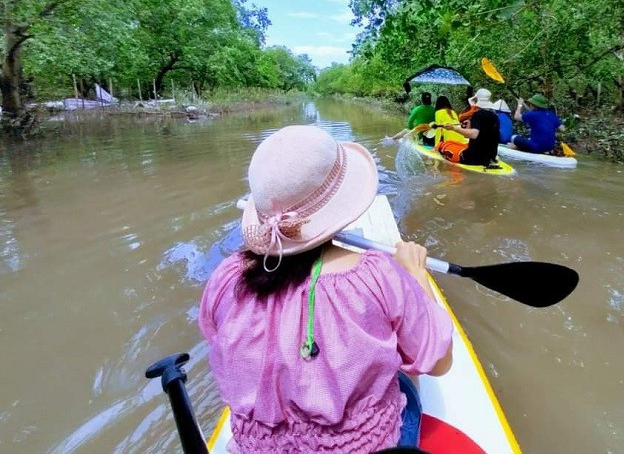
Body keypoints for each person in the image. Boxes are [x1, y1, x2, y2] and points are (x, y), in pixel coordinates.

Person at [199, 126, 453, 453]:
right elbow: (438, 362)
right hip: (365, 446)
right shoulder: (376, 275)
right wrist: (416, 274)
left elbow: (215, 334)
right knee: (406, 374)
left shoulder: (227, 277)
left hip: (256, 447)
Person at [437, 89, 500, 166]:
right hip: (489, 158)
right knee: (456, 143)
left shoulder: (477, 114)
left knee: (445, 146)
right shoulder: (495, 116)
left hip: (473, 159)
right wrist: (470, 123)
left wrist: (454, 128)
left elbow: (473, 134)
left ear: (476, 100)